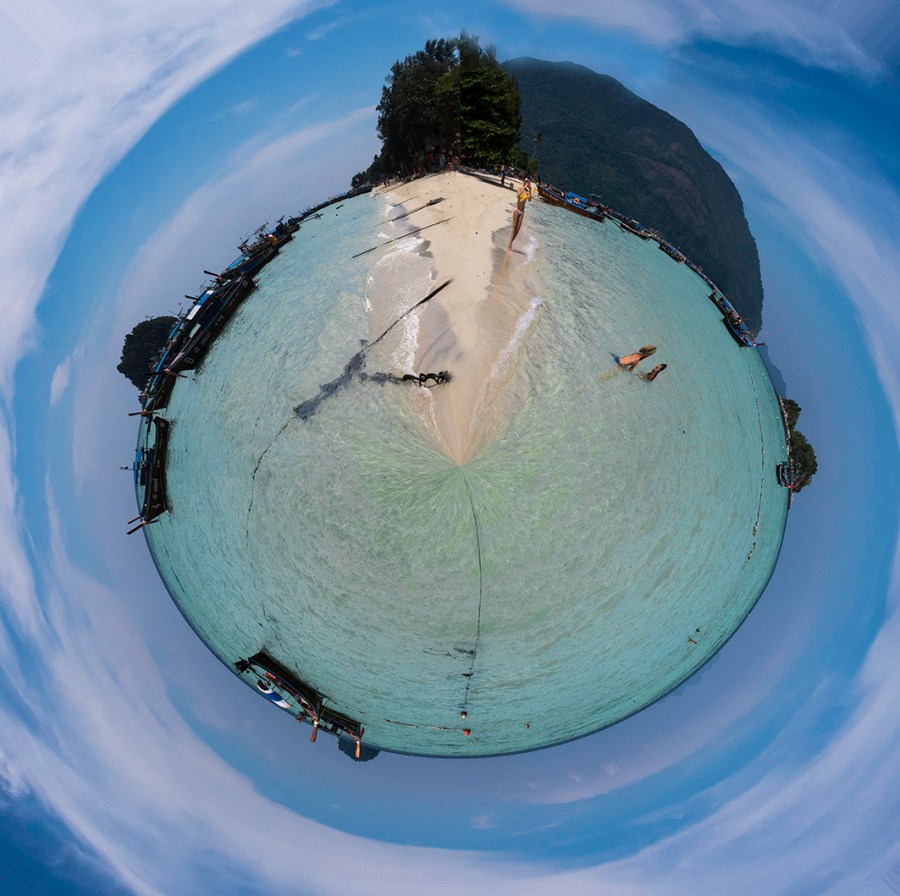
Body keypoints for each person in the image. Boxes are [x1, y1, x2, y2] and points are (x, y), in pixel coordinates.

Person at [507, 177, 532, 249]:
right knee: (514, 227)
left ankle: (510, 243)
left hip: (522, 211)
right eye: (525, 181)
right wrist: (523, 188)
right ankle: (510, 244)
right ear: (524, 182)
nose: (527, 183)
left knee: (517, 230)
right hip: (517, 210)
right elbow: (517, 196)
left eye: (528, 182)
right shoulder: (520, 189)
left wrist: (530, 190)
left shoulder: (528, 192)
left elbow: (529, 200)